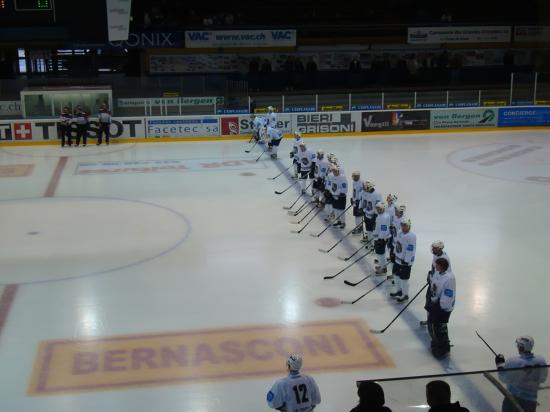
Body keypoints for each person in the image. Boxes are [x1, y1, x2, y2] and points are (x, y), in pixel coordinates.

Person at [495, 336, 548, 412]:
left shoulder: (512, 362)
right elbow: (543, 379)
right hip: (530, 402)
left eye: (518, 345)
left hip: (512, 401)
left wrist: (500, 365)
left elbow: (503, 378)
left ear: (521, 347)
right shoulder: (541, 361)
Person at [426, 257, 455, 359]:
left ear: (442, 267)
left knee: (440, 328)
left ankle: (443, 349)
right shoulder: (438, 273)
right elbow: (434, 285)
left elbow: (448, 296)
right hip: (435, 304)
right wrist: (430, 279)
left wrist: (440, 306)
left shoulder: (449, 279)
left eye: (437, 265)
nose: (435, 266)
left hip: (442, 308)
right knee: (433, 326)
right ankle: (436, 342)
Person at [421, 241, 451, 327]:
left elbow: (444, 275)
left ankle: (435, 322)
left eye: (435, 248)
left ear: (440, 249)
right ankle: (429, 319)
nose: (433, 250)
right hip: (433, 283)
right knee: (429, 303)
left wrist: (435, 282)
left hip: (438, 286)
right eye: (433, 248)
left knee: (435, 305)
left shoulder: (444, 259)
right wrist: (430, 275)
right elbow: (434, 268)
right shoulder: (436, 255)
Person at [390, 218, 416, 303]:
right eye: (402, 225)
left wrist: (407, 260)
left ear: (409, 226)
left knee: (404, 278)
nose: (403, 227)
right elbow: (397, 244)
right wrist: (394, 253)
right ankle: (399, 290)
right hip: (398, 259)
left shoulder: (411, 236)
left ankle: (405, 295)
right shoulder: (399, 232)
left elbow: (410, 249)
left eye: (405, 225)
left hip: (405, 262)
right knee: (396, 275)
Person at [373, 202, 391, 275]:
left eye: (380, 209)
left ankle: (383, 269)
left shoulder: (384, 217)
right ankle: (381, 266)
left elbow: (384, 229)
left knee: (381, 254)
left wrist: (380, 239)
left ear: (383, 209)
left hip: (381, 239)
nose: (378, 210)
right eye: (377, 209)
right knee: (379, 253)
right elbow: (377, 228)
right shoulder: (379, 216)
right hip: (378, 238)